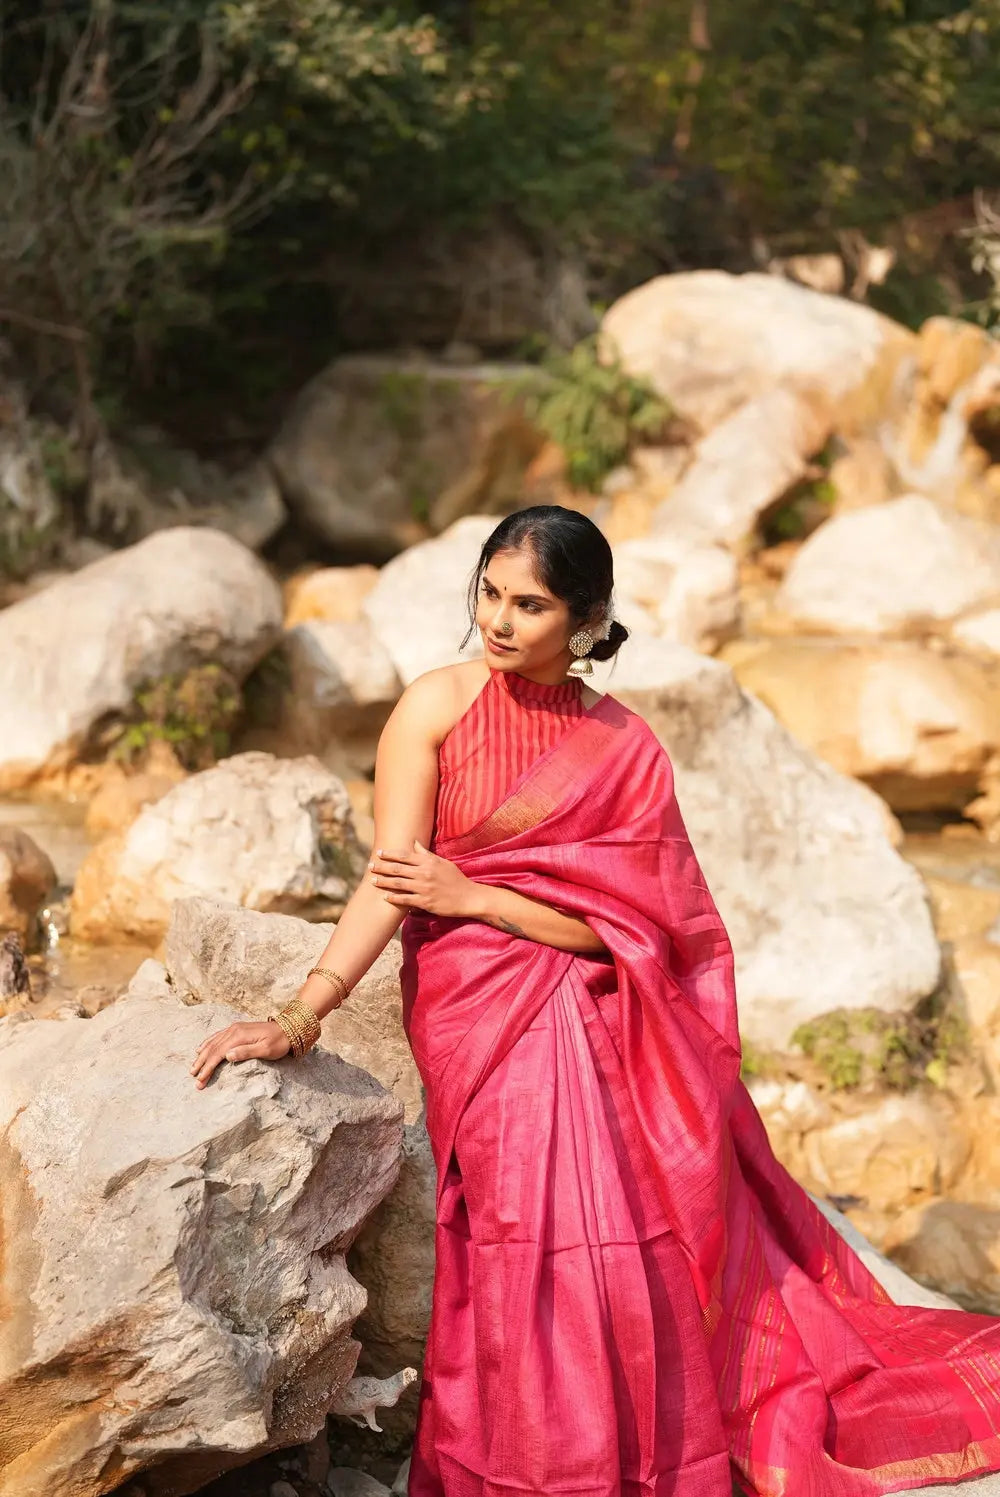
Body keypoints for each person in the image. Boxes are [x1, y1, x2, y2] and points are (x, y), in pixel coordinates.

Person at [190, 506, 1000, 1497]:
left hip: (584, 1005)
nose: (500, 619)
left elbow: (646, 929)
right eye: (490, 592)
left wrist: (482, 896)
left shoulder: (624, 748)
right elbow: (389, 882)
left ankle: (621, 1455)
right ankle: (526, 1458)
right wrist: (299, 1015)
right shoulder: (432, 710)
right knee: (513, 1238)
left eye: (530, 604)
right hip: (470, 1015)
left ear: (584, 621)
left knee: (608, 1240)